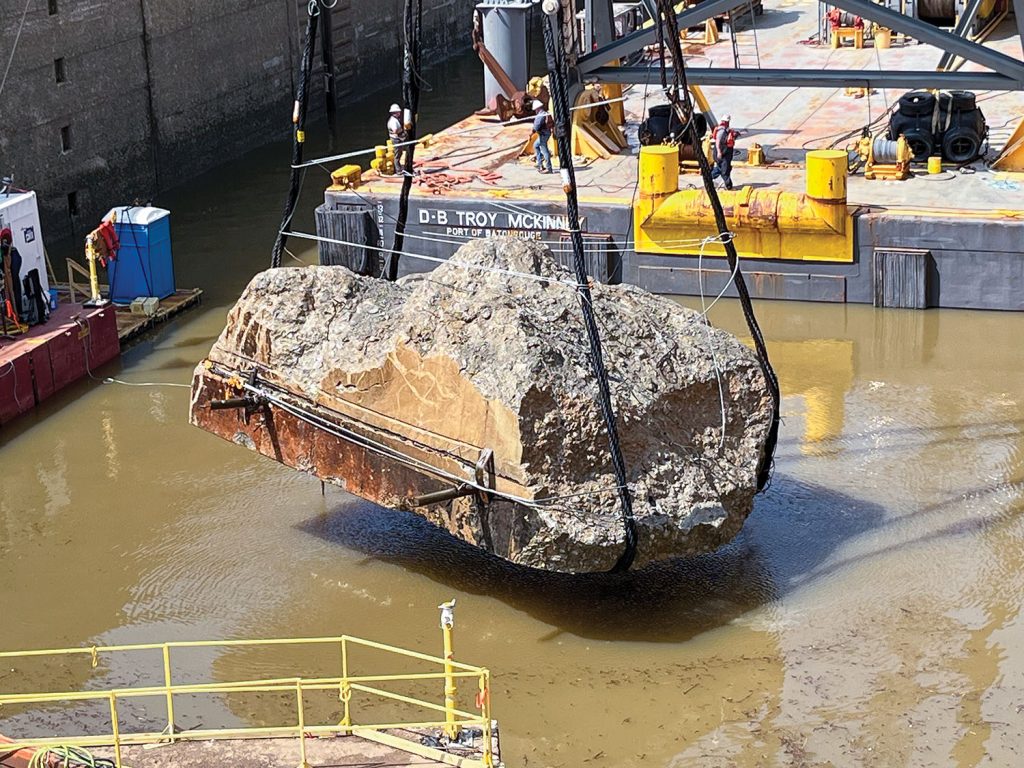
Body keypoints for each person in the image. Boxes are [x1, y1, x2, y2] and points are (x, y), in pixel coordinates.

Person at [0, 227, 23, 324]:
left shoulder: (11, 253)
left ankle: (14, 317)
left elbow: (15, 268)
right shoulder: (14, 252)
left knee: (13, 298)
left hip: (10, 282)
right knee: (12, 298)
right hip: (11, 281)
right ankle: (15, 316)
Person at [711, 114, 739, 191]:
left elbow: (728, 138)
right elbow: (717, 142)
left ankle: (709, 178)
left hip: (726, 152)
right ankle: (729, 187)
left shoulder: (726, 130)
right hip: (722, 153)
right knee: (725, 171)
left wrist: (735, 135)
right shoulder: (721, 131)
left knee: (721, 168)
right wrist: (719, 152)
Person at [532, 100, 553, 174]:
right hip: (546, 133)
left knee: (544, 150)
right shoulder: (545, 113)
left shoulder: (540, 115)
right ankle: (540, 163)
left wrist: (532, 132)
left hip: (543, 134)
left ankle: (548, 168)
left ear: (537, 109)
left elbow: (536, 127)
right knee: (535, 145)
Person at [387, 103, 407, 174]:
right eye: (398, 112)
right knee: (397, 154)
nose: (399, 113)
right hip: (396, 139)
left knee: (399, 153)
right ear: (394, 113)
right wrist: (403, 130)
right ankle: (398, 170)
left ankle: (398, 167)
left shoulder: (395, 119)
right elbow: (395, 131)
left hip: (397, 138)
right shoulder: (393, 121)